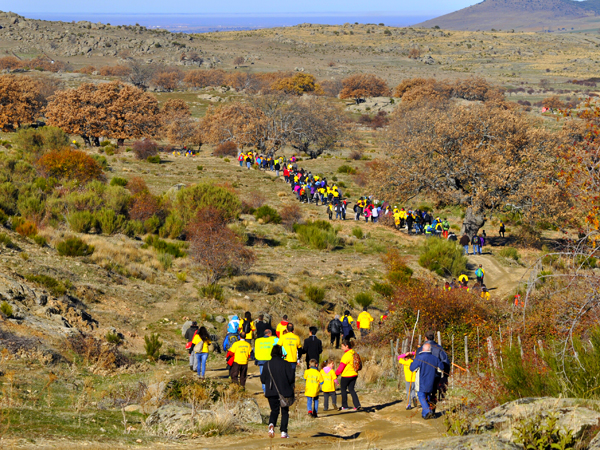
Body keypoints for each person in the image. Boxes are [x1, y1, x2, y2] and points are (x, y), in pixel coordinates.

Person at [261, 345, 295, 439]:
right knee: (284, 411)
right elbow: (291, 378)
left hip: (271, 391)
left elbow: (263, 379)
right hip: (284, 391)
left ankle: (271, 425)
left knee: (274, 410)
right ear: (281, 352)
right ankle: (283, 432)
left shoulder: (266, 364)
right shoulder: (286, 364)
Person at [417, 331, 450, 412]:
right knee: (434, 393)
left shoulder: (421, 349)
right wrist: (446, 375)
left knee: (424, 393)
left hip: (423, 375)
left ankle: (427, 410)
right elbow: (445, 361)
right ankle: (432, 409)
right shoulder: (439, 348)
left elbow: (417, 362)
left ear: (425, 338)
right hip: (436, 375)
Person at [410, 343, 444, 419]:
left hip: (421, 382)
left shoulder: (419, 358)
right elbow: (441, 367)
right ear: (430, 350)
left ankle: (428, 411)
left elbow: (412, 368)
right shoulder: (435, 358)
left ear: (423, 349)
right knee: (427, 396)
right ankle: (425, 414)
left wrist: (412, 363)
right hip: (432, 382)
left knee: (421, 395)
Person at [335, 339, 361, 411]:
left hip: (346, 375)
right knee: (352, 389)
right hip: (354, 374)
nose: (341, 348)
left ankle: (344, 405)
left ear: (347, 346)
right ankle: (357, 405)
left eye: (342, 346)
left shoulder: (346, 355)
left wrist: (336, 374)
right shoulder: (354, 353)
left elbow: (341, 367)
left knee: (343, 390)